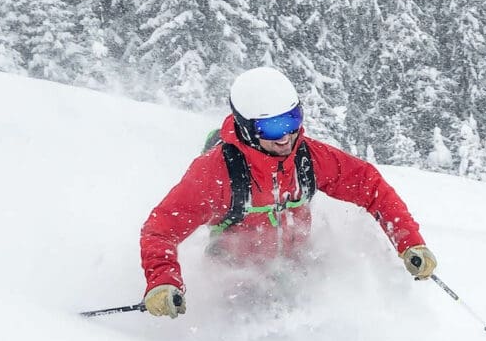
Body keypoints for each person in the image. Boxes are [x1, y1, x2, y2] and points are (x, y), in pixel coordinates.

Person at [140, 66, 437, 318]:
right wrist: (163, 281)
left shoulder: (307, 158)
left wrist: (410, 243)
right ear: (246, 128)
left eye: (292, 120)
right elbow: (160, 230)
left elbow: (370, 186)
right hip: (235, 292)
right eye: (271, 128)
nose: (285, 136)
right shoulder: (216, 173)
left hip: (297, 276)